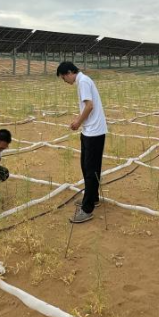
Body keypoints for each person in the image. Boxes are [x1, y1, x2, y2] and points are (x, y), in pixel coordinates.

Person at [56, 61, 107, 223]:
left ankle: (87, 209)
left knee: (90, 170)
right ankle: (93, 197)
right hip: (90, 131)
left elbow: (89, 106)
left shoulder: (83, 81)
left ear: (69, 72)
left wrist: (78, 121)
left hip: (93, 133)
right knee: (88, 168)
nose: (65, 81)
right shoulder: (83, 81)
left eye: (64, 77)